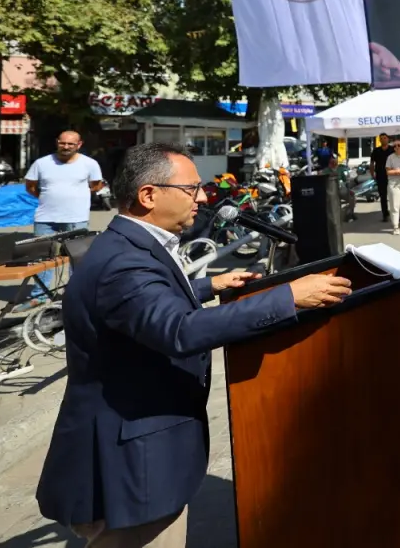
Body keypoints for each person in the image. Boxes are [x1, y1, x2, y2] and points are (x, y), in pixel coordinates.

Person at [35, 143, 352, 544]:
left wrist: (208, 285)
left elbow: (143, 303)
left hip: (138, 440)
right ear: (149, 195)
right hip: (133, 455)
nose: (203, 199)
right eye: (192, 189)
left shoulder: (127, 243)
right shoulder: (125, 262)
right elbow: (177, 331)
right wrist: (288, 298)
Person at [25, 131, 104, 302]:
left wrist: (75, 196)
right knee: (42, 259)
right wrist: (49, 198)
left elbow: (96, 185)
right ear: (57, 142)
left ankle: (74, 294)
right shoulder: (41, 163)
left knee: (76, 258)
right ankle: (40, 295)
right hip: (45, 218)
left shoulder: (90, 164)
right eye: (63, 143)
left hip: (76, 218)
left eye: (71, 144)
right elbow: (30, 186)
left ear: (79, 145)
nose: (66, 147)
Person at [369, 134, 394, 222]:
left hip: (392, 176)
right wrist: (372, 174)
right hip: (380, 176)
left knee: (393, 196)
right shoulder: (376, 151)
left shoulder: (392, 149)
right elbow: (372, 163)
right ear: (379, 140)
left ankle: (395, 214)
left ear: (388, 139)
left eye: (385, 138)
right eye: (381, 139)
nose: (383, 140)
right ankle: (385, 214)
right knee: (383, 196)